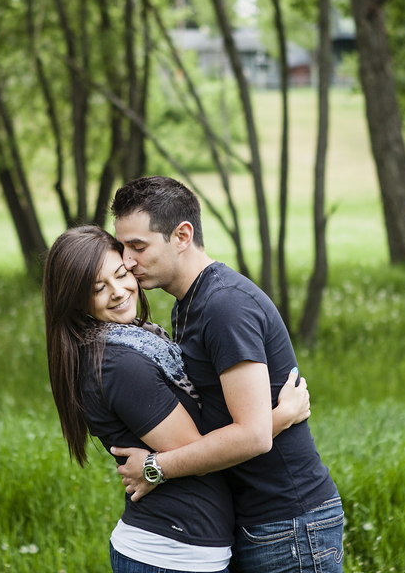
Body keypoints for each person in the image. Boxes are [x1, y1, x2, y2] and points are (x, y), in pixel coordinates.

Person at [42, 226, 311, 573]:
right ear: (75, 301)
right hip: (170, 553)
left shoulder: (138, 341)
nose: (118, 291)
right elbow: (196, 450)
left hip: (184, 548)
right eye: (97, 289)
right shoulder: (117, 363)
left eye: (121, 274)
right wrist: (280, 416)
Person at [110, 177, 345, 573]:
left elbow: (251, 435)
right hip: (253, 522)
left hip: (288, 524)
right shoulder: (189, 304)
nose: (127, 261)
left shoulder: (224, 306)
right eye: (123, 247)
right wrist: (281, 415)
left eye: (138, 246)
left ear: (182, 235)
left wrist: (156, 467)